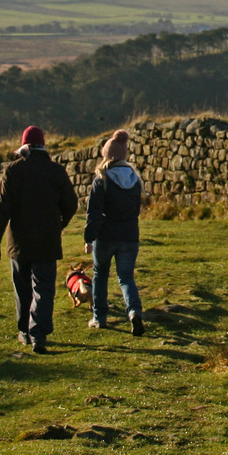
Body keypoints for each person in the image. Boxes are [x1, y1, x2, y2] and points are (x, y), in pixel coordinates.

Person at [0, 125, 78, 354]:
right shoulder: (56, 171)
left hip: (19, 242)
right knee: (43, 288)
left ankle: (24, 332)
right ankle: (38, 333)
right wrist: (60, 224)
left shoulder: (14, 171)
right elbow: (71, 204)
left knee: (22, 288)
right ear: (43, 146)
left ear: (24, 146)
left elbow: (2, 209)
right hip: (47, 241)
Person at [83, 128, 145, 335]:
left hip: (106, 234)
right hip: (130, 235)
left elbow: (94, 212)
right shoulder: (135, 179)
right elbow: (136, 209)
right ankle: (134, 311)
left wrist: (89, 237)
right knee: (126, 277)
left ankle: (99, 317)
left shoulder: (101, 179)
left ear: (106, 156)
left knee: (100, 274)